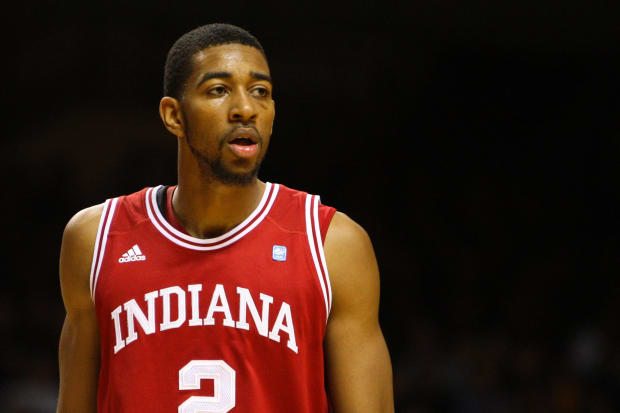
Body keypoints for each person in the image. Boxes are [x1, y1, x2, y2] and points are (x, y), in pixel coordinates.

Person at [57, 23, 394, 413]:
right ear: (174, 116)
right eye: (218, 90)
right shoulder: (96, 239)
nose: (245, 108)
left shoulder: (332, 244)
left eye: (261, 92)